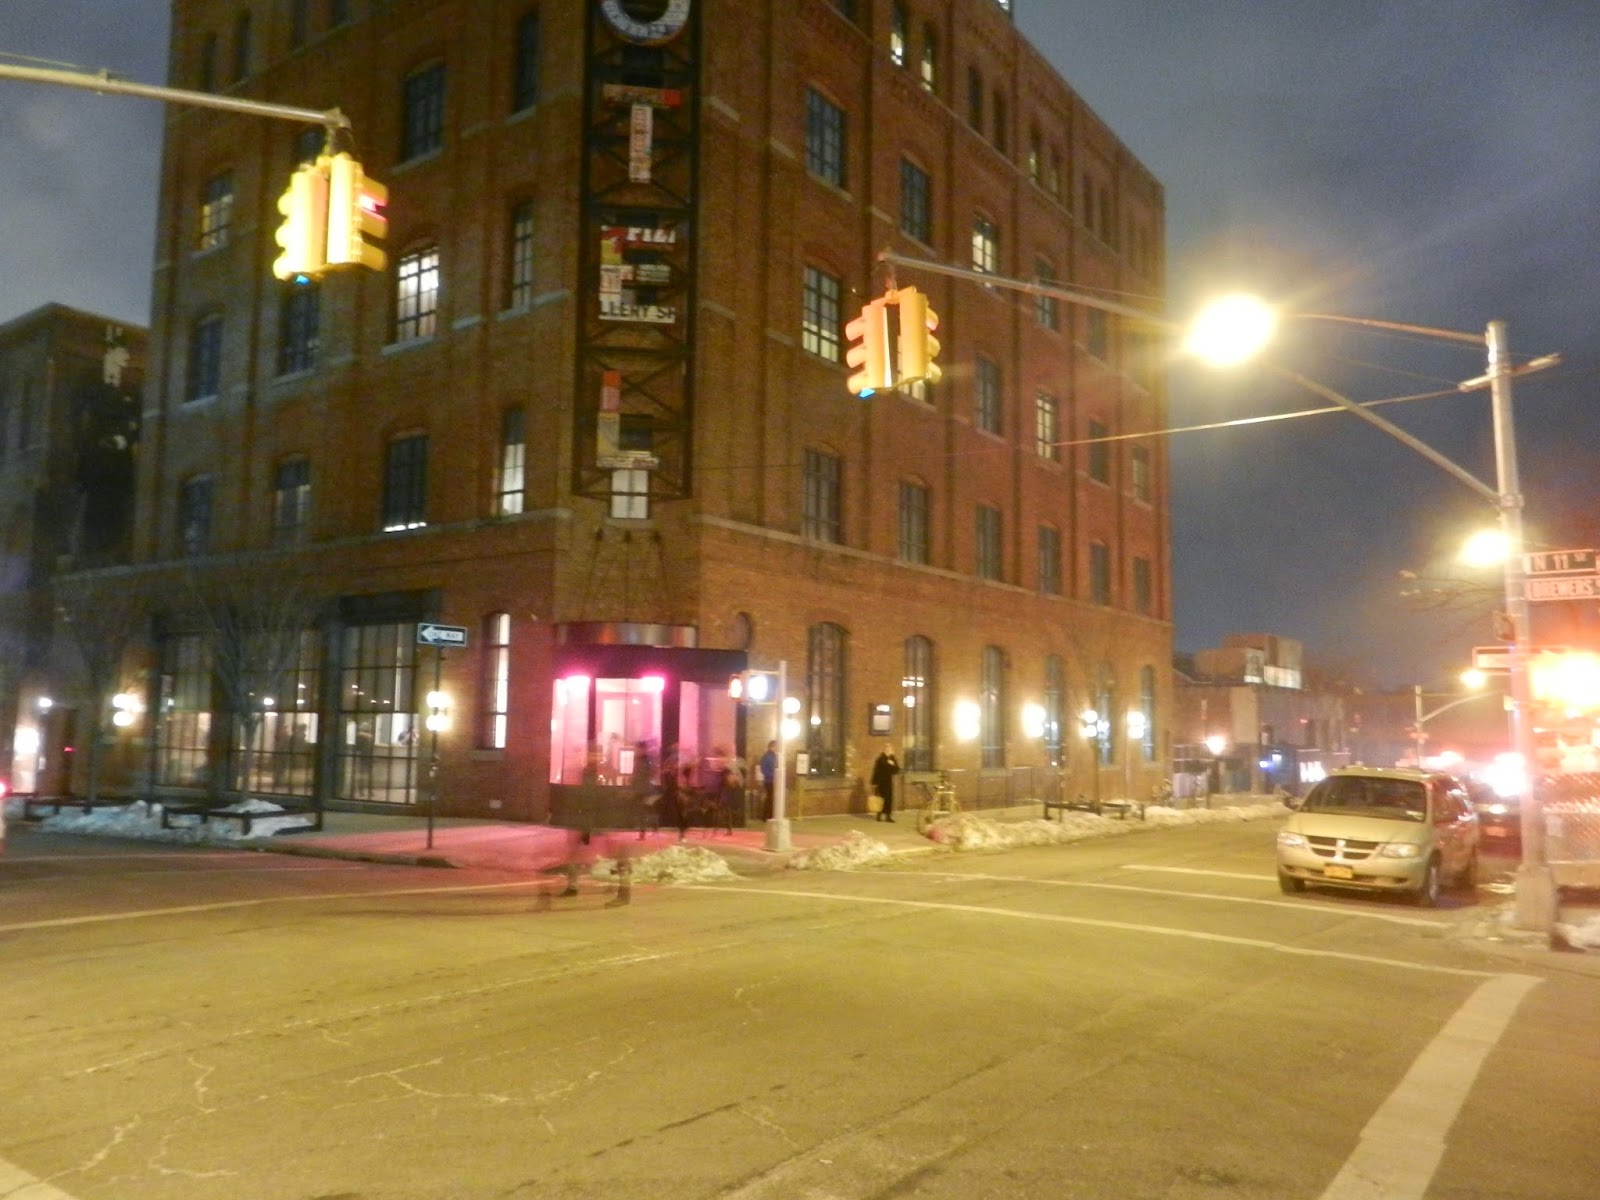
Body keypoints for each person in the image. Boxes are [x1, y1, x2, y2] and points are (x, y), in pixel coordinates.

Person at [871, 743, 901, 822]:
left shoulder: (892, 758)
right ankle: (879, 815)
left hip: (888, 782)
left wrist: (893, 764)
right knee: (880, 799)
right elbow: (876, 770)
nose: (888, 750)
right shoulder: (880, 759)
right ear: (884, 750)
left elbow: (896, 770)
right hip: (880, 782)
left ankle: (888, 816)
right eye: (886, 749)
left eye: (889, 749)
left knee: (889, 799)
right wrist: (874, 783)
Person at [758, 740, 778, 821]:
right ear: (770, 747)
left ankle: (770, 815)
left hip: (774, 781)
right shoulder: (766, 757)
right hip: (769, 781)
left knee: (772, 798)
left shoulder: (775, 756)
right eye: (774, 746)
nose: (776, 748)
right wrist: (772, 775)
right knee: (769, 798)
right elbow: (763, 769)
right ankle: (766, 816)